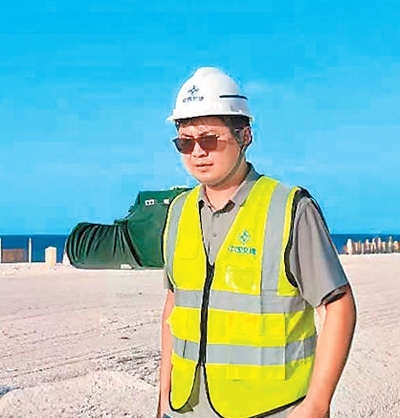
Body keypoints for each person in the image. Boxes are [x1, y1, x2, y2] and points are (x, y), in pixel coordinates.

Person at [157, 67, 356, 418]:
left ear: (244, 135)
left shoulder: (290, 208)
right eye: (185, 142)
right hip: (185, 408)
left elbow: (338, 304)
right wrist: (163, 399)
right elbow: (175, 304)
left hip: (271, 408)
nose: (197, 152)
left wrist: (317, 404)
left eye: (209, 139)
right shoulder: (178, 212)